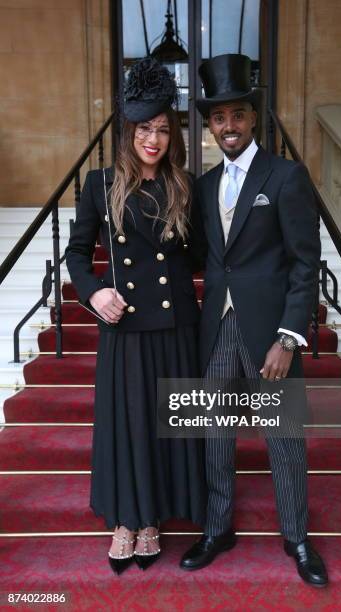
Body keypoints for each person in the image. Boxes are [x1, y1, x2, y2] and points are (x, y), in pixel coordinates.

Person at [180, 54, 328, 587]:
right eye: (218, 119)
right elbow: (201, 256)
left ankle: (298, 538)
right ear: (211, 124)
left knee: (283, 439)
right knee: (214, 437)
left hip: (270, 335)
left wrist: (289, 336)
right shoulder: (202, 186)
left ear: (252, 117)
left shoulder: (286, 176)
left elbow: (304, 263)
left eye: (236, 115)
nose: (228, 127)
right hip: (215, 330)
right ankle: (218, 529)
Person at [65, 57, 206, 574]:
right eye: (145, 128)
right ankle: (127, 520)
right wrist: (95, 293)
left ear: (174, 135)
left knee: (166, 426)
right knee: (129, 426)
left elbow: (206, 256)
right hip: (125, 326)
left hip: (176, 328)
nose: (154, 139)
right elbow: (77, 255)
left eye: (163, 129)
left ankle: (154, 522)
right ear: (129, 131)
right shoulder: (100, 185)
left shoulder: (185, 186)